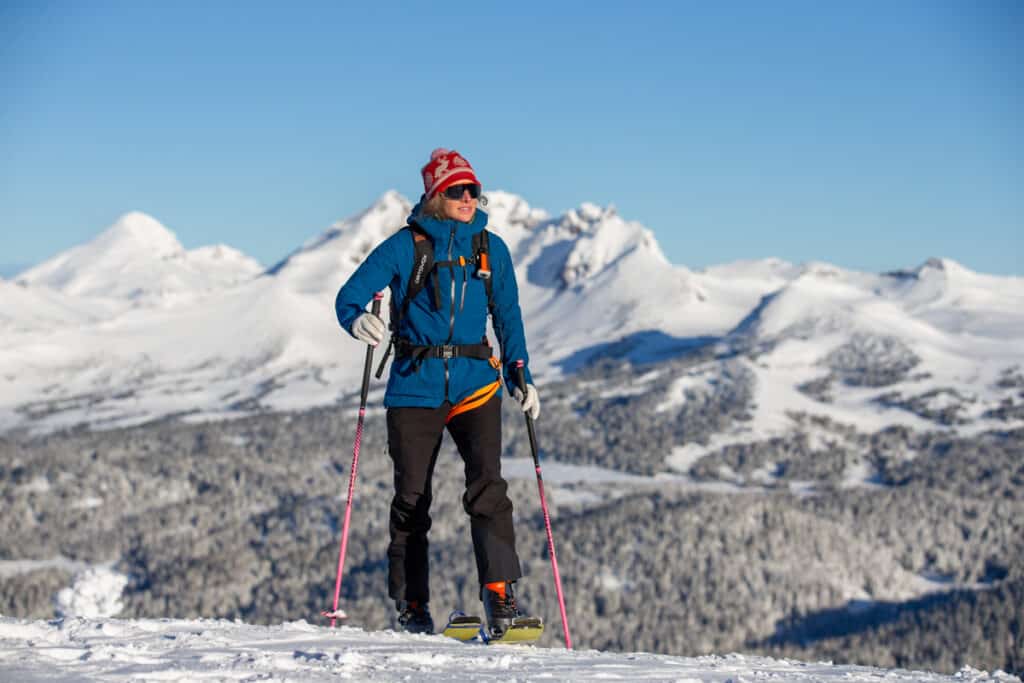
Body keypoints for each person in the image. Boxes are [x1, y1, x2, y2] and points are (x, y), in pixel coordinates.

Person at [334, 148, 541, 637]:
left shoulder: (491, 248)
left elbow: (507, 317)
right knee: (412, 499)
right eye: (456, 191)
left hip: (476, 384)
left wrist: (520, 374)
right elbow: (348, 297)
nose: (468, 198)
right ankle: (413, 606)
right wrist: (356, 319)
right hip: (414, 387)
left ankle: (499, 598)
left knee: (489, 489)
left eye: (473, 190)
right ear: (434, 195)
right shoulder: (405, 246)